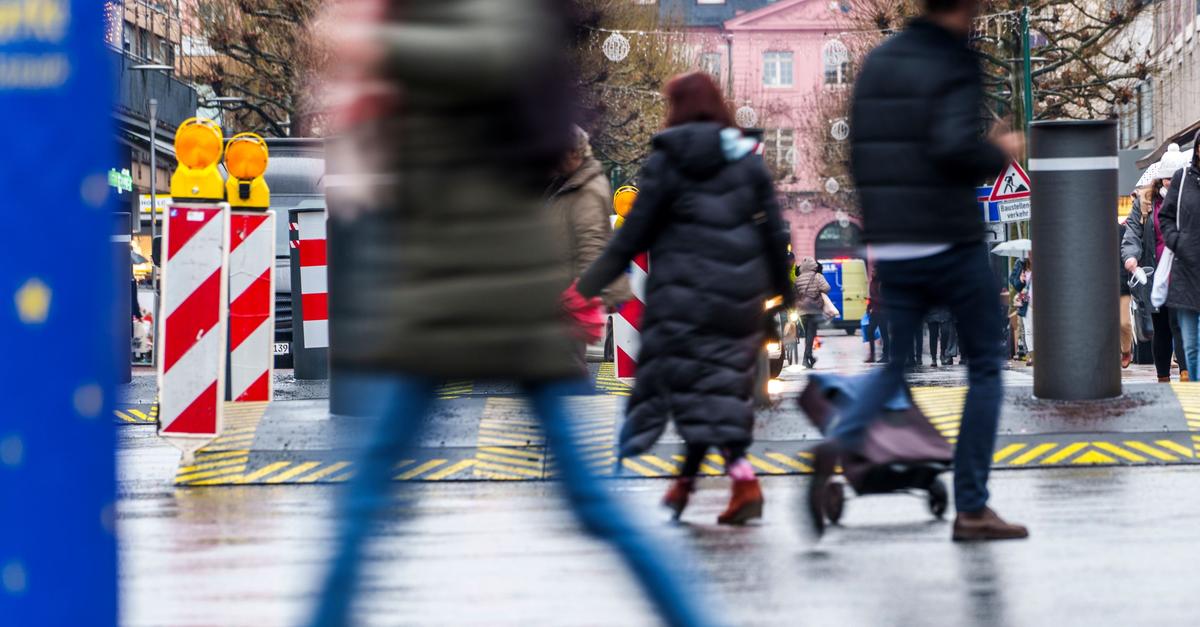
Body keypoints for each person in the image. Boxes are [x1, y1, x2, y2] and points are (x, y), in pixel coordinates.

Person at [307, 3, 714, 626]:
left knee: (370, 500)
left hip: (490, 291)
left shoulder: (479, 19)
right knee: (371, 499)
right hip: (447, 288)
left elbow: (491, 50)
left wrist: (379, 43)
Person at [810, 0, 1028, 541]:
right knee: (984, 366)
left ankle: (841, 439)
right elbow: (952, 148)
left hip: (895, 241)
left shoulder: (878, 62)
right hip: (949, 237)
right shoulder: (955, 61)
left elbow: (859, 155)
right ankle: (972, 506)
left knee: (894, 365)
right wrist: (997, 151)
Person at [575, 71, 794, 525]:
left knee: (694, 391)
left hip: (682, 300)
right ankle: (687, 484)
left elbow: (631, 236)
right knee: (717, 389)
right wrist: (781, 297)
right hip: (738, 301)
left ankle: (740, 478)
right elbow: (773, 233)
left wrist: (584, 287)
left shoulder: (666, 160)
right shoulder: (748, 160)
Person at [546, 126, 633, 366]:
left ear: (574, 153)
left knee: (564, 372)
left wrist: (582, 296)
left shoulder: (587, 189)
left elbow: (592, 245)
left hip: (567, 295)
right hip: (553, 292)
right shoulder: (560, 183)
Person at [1124, 144, 1193, 382]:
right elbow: (1132, 233)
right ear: (1159, 179)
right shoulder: (1144, 204)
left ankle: (1186, 372)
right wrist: (1131, 256)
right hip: (1155, 275)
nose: (1168, 183)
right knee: (1160, 327)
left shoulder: (1191, 198)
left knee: (1180, 323)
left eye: (1173, 178)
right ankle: (1163, 376)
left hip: (1184, 273)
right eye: (1165, 178)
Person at [1159, 142, 1200, 384]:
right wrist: (1177, 241)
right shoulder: (1182, 178)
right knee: (1191, 346)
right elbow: (1165, 216)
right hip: (1185, 273)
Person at [795, 256, 831, 369]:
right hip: (814, 309)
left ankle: (808, 358)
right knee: (811, 335)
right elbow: (827, 288)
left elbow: (795, 293)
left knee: (807, 335)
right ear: (813, 266)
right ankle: (808, 357)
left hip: (802, 311)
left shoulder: (798, 278)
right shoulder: (818, 276)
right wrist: (817, 291)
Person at [1010, 257, 1033, 366]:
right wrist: (1020, 280)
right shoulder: (1021, 263)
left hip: (1042, 302)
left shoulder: (1043, 260)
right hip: (1028, 303)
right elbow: (1015, 283)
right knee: (1028, 330)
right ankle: (1032, 356)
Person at [864, 269, 890, 363]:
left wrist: (873, 300)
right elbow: (871, 297)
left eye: (875, 271)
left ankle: (886, 356)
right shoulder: (872, 282)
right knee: (870, 331)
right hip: (874, 311)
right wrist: (868, 307)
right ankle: (872, 355)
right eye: (872, 271)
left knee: (884, 334)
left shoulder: (882, 283)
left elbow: (884, 298)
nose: (873, 273)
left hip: (883, 312)